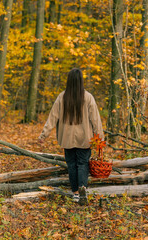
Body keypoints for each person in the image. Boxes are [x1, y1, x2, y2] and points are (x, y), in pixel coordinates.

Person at [38, 68, 104, 206]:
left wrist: (44, 135)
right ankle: (82, 190)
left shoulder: (62, 97)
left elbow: (52, 117)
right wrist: (100, 138)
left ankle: (75, 193)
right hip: (85, 138)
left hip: (66, 139)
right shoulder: (88, 97)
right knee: (82, 164)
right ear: (81, 81)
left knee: (72, 165)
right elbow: (95, 120)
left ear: (69, 81)